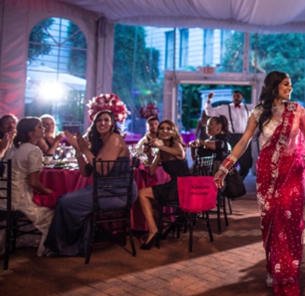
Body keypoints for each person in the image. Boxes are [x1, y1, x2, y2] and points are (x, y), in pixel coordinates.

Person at [213, 71, 305, 296]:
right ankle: (273, 266)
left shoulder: (297, 110)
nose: (290, 88)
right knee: (270, 223)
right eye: (286, 84)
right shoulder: (258, 112)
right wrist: (224, 167)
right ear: (274, 86)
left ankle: (287, 281)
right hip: (267, 174)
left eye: (291, 84)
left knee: (288, 224)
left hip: (293, 174)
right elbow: (244, 141)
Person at [44, 110, 137, 256]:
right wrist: (78, 150)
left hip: (120, 192)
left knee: (66, 202)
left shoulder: (115, 139)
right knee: (64, 200)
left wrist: (85, 149)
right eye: (99, 120)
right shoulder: (99, 143)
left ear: (112, 124)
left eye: (106, 120)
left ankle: (68, 247)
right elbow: (85, 172)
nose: (102, 123)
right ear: (94, 124)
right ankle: (73, 243)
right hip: (104, 190)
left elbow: (103, 171)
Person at [3, 118, 55, 257]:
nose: (43, 128)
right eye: (39, 127)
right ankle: (44, 251)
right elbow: (33, 183)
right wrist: (46, 190)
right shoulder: (33, 150)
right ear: (30, 133)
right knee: (53, 215)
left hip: (3, 199)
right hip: (19, 200)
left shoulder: (12, 149)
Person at [137, 119, 188, 250]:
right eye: (162, 128)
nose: (164, 131)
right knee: (148, 199)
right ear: (158, 132)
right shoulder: (161, 152)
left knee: (142, 194)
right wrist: (149, 155)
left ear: (173, 132)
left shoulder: (176, 144)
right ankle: (163, 225)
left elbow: (180, 154)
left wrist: (159, 146)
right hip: (174, 185)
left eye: (168, 128)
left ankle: (154, 231)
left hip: (182, 186)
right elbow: (152, 171)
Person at [204, 90, 254, 179]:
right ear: (232, 98)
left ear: (242, 97)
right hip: (231, 137)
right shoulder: (225, 108)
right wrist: (209, 100)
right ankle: (230, 182)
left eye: (238, 95)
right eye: (234, 96)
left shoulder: (248, 107)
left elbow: (262, 109)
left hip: (244, 137)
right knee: (229, 161)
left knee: (246, 163)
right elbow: (209, 112)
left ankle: (239, 181)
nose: (236, 97)